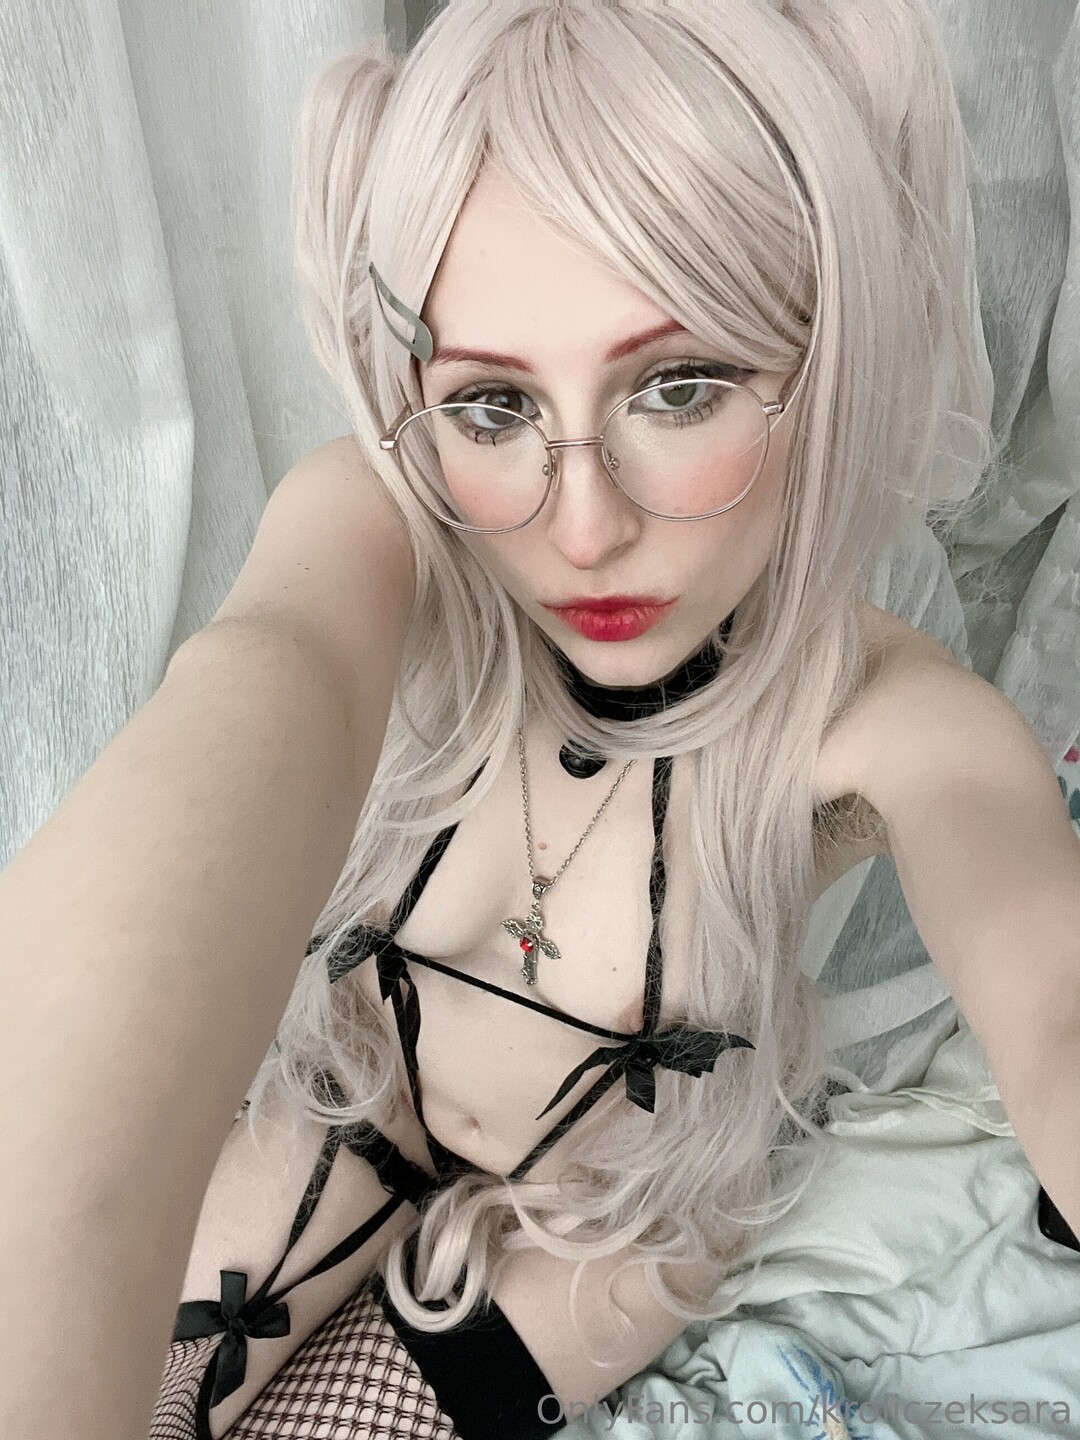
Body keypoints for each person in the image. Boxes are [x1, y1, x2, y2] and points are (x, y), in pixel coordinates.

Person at [4, 4, 1077, 1440]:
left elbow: (1052, 995)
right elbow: (257, 680)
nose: (582, 528)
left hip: (613, 1210)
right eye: (495, 405)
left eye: (680, 388)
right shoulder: (383, 530)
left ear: (828, 362)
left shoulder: (887, 720)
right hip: (372, 1093)